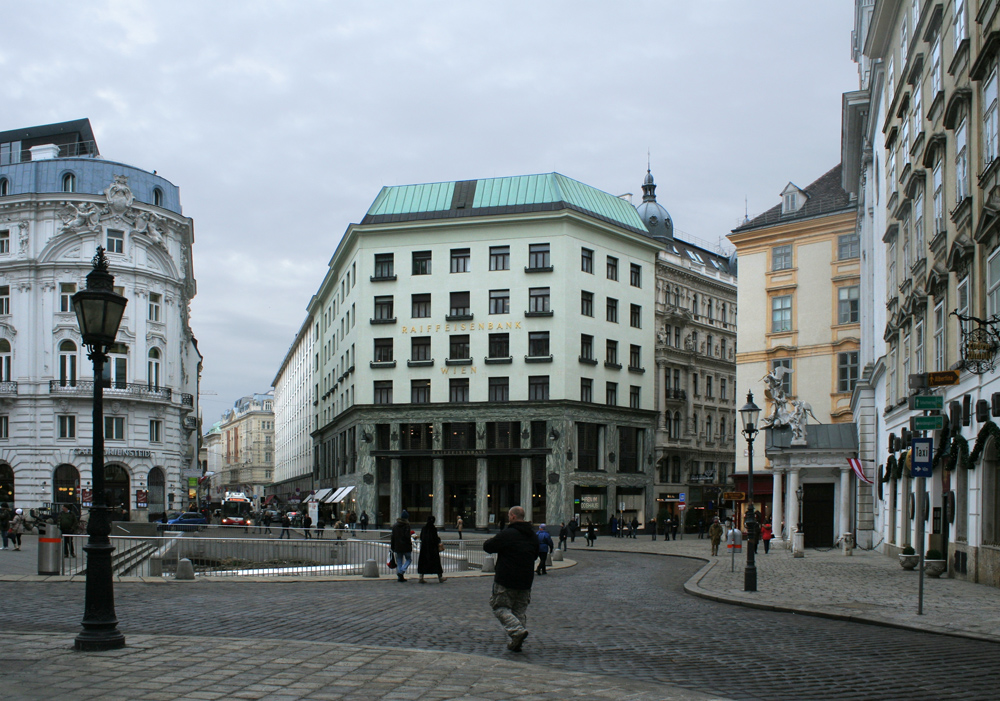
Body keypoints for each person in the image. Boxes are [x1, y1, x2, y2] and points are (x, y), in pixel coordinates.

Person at [483, 505, 539, 652]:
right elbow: (535, 555)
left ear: (513, 516)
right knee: (519, 611)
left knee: (499, 607)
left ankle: (517, 631)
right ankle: (516, 641)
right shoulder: (532, 535)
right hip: (526, 579)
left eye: (509, 515)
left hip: (506, 579)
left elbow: (488, 546)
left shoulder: (508, 534)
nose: (508, 518)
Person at [417, 515, 446, 584]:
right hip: (433, 549)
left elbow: (421, 538)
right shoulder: (433, 529)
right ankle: (440, 577)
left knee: (423, 563)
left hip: (424, 549)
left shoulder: (424, 528)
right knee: (436, 563)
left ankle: (421, 577)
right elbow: (435, 539)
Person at [390, 510, 414, 582]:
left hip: (397, 546)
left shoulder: (395, 526)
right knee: (409, 560)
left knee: (399, 561)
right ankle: (402, 571)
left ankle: (400, 576)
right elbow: (407, 537)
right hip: (406, 546)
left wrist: (392, 547)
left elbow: (392, 537)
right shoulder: (407, 526)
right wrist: (410, 544)